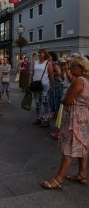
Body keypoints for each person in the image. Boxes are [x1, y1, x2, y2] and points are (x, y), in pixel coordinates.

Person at [40, 56, 89, 189]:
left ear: (81, 68)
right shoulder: (87, 79)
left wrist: (63, 99)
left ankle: (58, 179)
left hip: (74, 117)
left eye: (73, 66)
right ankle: (82, 174)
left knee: (69, 148)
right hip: (84, 116)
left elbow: (67, 100)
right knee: (82, 146)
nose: (70, 67)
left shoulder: (79, 81)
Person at [32, 49, 54, 127]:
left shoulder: (48, 63)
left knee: (45, 102)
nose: (39, 55)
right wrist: (30, 82)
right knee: (37, 103)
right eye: (39, 54)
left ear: (45, 54)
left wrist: (52, 86)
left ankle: (46, 120)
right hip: (35, 84)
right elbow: (33, 73)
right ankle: (38, 118)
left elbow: (51, 75)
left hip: (44, 85)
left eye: (41, 53)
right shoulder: (36, 62)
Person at [48, 52, 63, 118]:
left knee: (54, 98)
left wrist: (50, 73)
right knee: (52, 97)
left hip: (56, 82)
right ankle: (54, 112)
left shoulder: (54, 63)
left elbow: (59, 72)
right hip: (53, 81)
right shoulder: (51, 63)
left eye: (49, 56)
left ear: (52, 56)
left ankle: (55, 112)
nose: (47, 57)